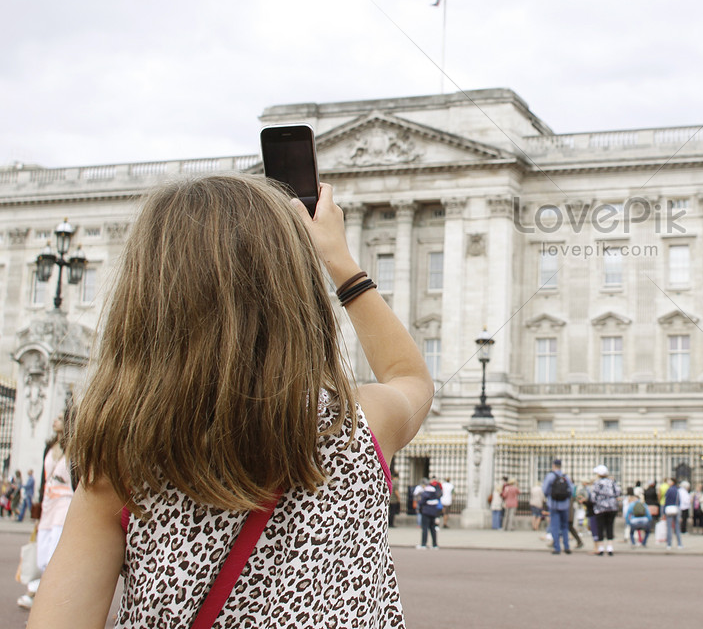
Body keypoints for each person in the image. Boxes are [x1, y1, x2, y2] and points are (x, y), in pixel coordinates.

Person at [28, 176, 434, 627]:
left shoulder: (122, 466)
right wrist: (340, 262)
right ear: (294, 295)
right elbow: (410, 377)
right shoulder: (356, 429)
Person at [18, 414, 74, 611]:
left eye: (59, 417)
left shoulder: (73, 449)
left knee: (53, 553)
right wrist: (39, 506)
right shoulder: (49, 448)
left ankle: (41, 596)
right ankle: (41, 592)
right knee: (42, 553)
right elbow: (43, 480)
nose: (55, 420)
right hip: (49, 504)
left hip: (64, 503)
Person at [543, 459, 575, 555]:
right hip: (565, 504)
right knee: (565, 526)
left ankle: (557, 547)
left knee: (555, 526)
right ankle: (566, 546)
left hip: (554, 504)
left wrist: (549, 496)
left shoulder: (550, 476)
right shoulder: (565, 477)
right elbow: (572, 490)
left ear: (553, 465)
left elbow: (544, 489)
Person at [589, 465, 621, 556]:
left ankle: (601, 547)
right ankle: (610, 547)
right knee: (610, 526)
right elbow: (618, 492)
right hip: (612, 507)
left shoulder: (597, 483)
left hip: (600, 508)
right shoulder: (612, 482)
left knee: (600, 527)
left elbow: (593, 497)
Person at [417, 478, 443, 549]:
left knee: (425, 528)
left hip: (426, 511)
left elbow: (422, 502)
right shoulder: (434, 491)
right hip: (433, 511)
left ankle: (423, 544)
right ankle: (434, 544)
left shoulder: (426, 491)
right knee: (432, 528)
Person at [662, 477, 683, 549]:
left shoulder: (669, 490)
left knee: (669, 527)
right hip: (676, 508)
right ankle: (679, 544)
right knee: (677, 528)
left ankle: (669, 544)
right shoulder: (677, 490)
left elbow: (666, 501)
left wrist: (664, 511)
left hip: (669, 509)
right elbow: (679, 501)